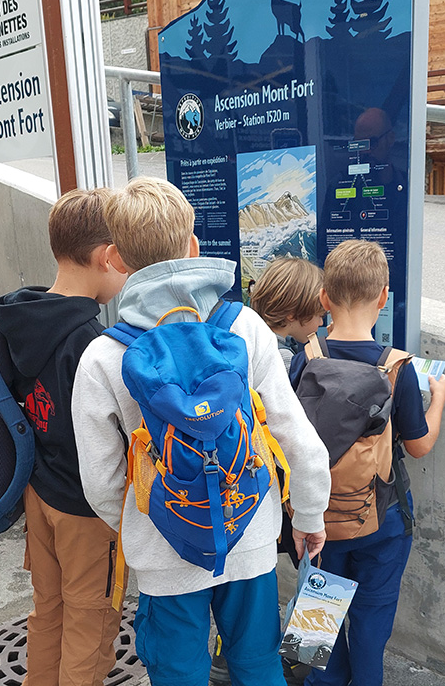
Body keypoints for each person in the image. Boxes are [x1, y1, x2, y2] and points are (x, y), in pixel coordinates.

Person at [71, 177, 331, 686]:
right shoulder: (245, 327)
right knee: (258, 666)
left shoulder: (103, 356)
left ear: (117, 259)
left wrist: (152, 524)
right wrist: (308, 515)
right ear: (193, 246)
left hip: (163, 554)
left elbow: (101, 482)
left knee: (179, 674)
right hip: (249, 537)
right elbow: (297, 438)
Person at [289, 239, 445, 686]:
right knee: (371, 619)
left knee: (317, 615)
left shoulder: (305, 359)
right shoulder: (398, 368)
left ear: (324, 298)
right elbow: (418, 445)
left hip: (317, 515)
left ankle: (320, 680)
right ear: (383, 297)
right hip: (382, 519)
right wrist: (438, 399)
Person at [0, 188, 128, 686]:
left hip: (39, 494)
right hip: (85, 509)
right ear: (108, 256)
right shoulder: (90, 342)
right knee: (91, 621)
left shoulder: (20, 320)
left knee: (48, 609)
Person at [250, 257, 325, 372]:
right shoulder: (283, 359)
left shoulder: (254, 341)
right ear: (292, 314)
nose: (321, 323)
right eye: (319, 315)